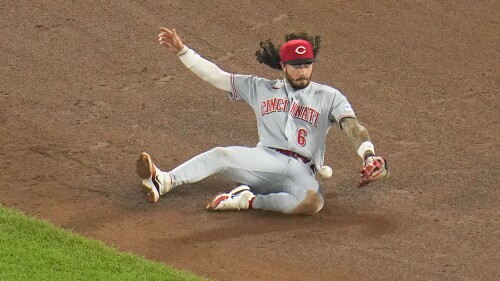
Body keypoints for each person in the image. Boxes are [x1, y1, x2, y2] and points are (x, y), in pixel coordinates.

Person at [135, 27, 389, 215]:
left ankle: (248, 199)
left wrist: (369, 155)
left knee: (314, 204)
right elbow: (218, 77)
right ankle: (164, 180)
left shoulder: (329, 96)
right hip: (266, 160)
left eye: (307, 65)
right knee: (222, 154)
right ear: (283, 65)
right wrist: (183, 51)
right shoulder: (261, 88)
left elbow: (353, 126)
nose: (303, 71)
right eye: (296, 65)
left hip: (302, 171)